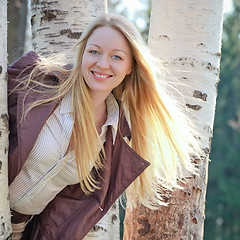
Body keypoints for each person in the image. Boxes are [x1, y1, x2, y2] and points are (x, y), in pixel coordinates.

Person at [8, 13, 200, 240]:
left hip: (16, 231)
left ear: (131, 67)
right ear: (83, 53)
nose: (102, 64)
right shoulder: (36, 83)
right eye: (94, 52)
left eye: (116, 57)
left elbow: (67, 212)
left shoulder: (112, 136)